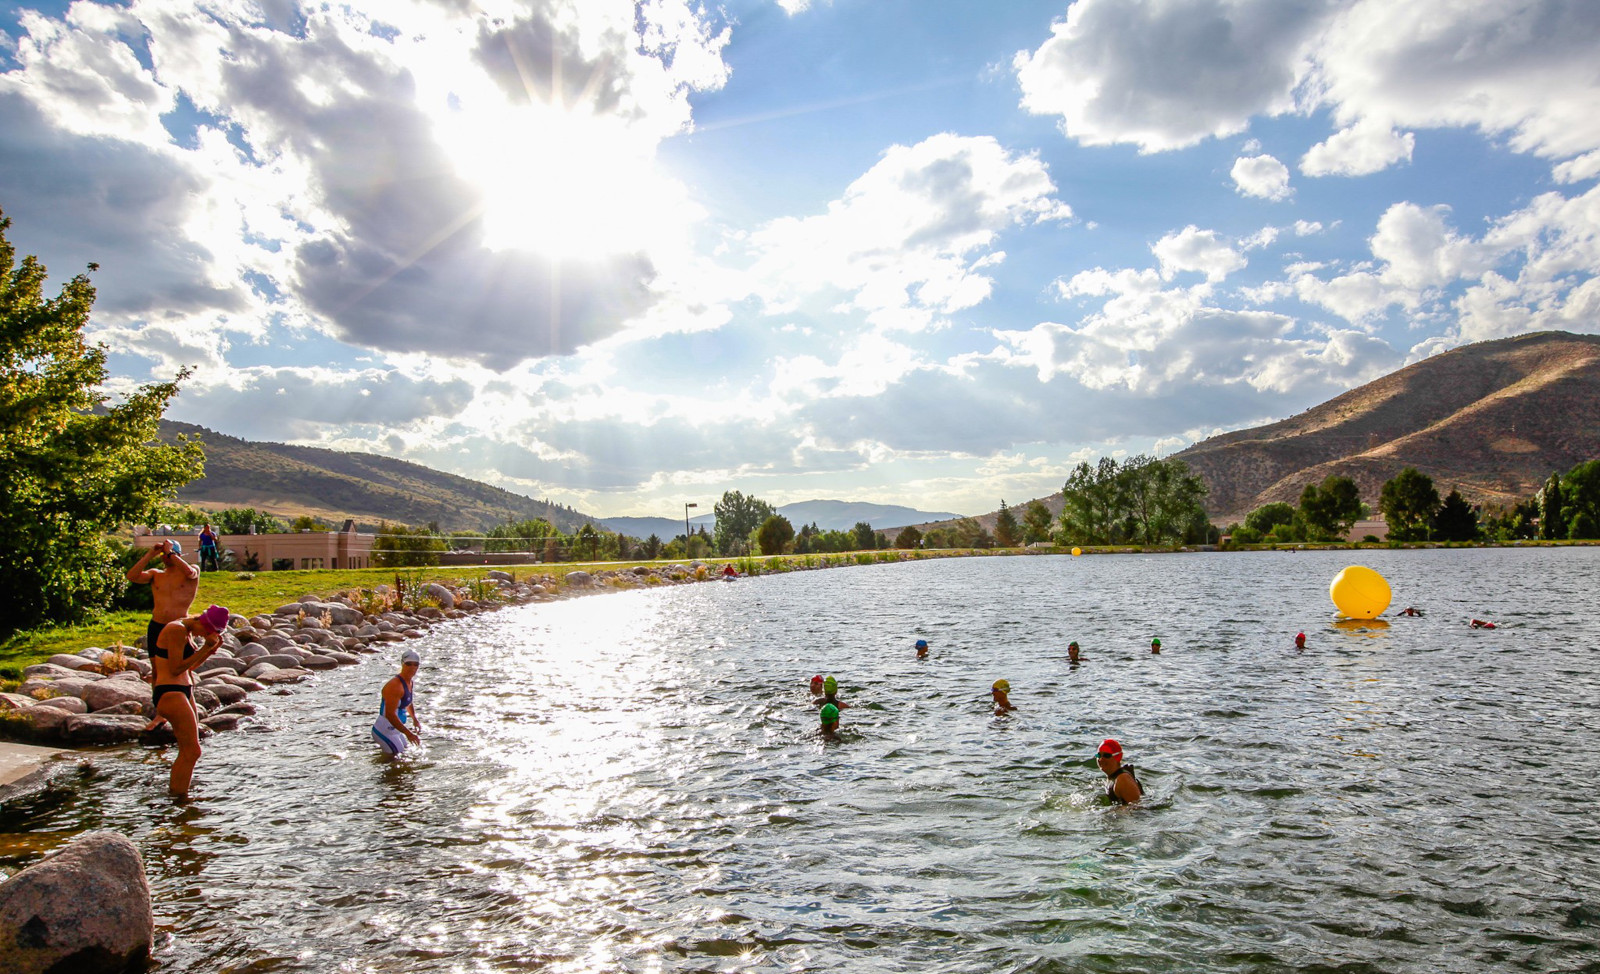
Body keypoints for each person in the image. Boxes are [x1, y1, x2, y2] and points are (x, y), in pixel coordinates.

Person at [149, 604, 230, 797]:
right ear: (203, 622)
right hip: (170, 691)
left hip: (183, 689)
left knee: (191, 751)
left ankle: (179, 794)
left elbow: (189, 667)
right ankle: (178, 800)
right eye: (207, 632)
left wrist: (209, 651)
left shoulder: (187, 631)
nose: (204, 636)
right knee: (191, 751)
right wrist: (205, 647)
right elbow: (175, 668)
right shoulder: (176, 629)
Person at [127, 539, 201, 657]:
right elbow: (132, 576)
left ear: (179, 555)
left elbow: (189, 572)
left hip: (178, 624)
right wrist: (150, 554)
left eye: (169, 554)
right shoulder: (156, 574)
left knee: (182, 663)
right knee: (156, 664)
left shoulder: (192, 569)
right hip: (157, 624)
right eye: (163, 554)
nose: (165, 557)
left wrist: (170, 552)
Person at [373, 649, 424, 756]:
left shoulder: (409, 682)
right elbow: (390, 715)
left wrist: (414, 719)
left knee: (405, 754)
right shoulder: (395, 686)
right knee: (395, 758)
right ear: (402, 664)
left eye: (416, 665)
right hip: (384, 731)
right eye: (408, 664)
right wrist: (409, 734)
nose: (412, 667)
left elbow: (408, 702)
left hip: (394, 730)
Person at [1097, 738, 1143, 805]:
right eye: (1098, 755)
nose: (1101, 759)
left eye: (1106, 755)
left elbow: (1138, 808)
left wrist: (1113, 812)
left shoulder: (1123, 779)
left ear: (1118, 757)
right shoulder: (1113, 777)